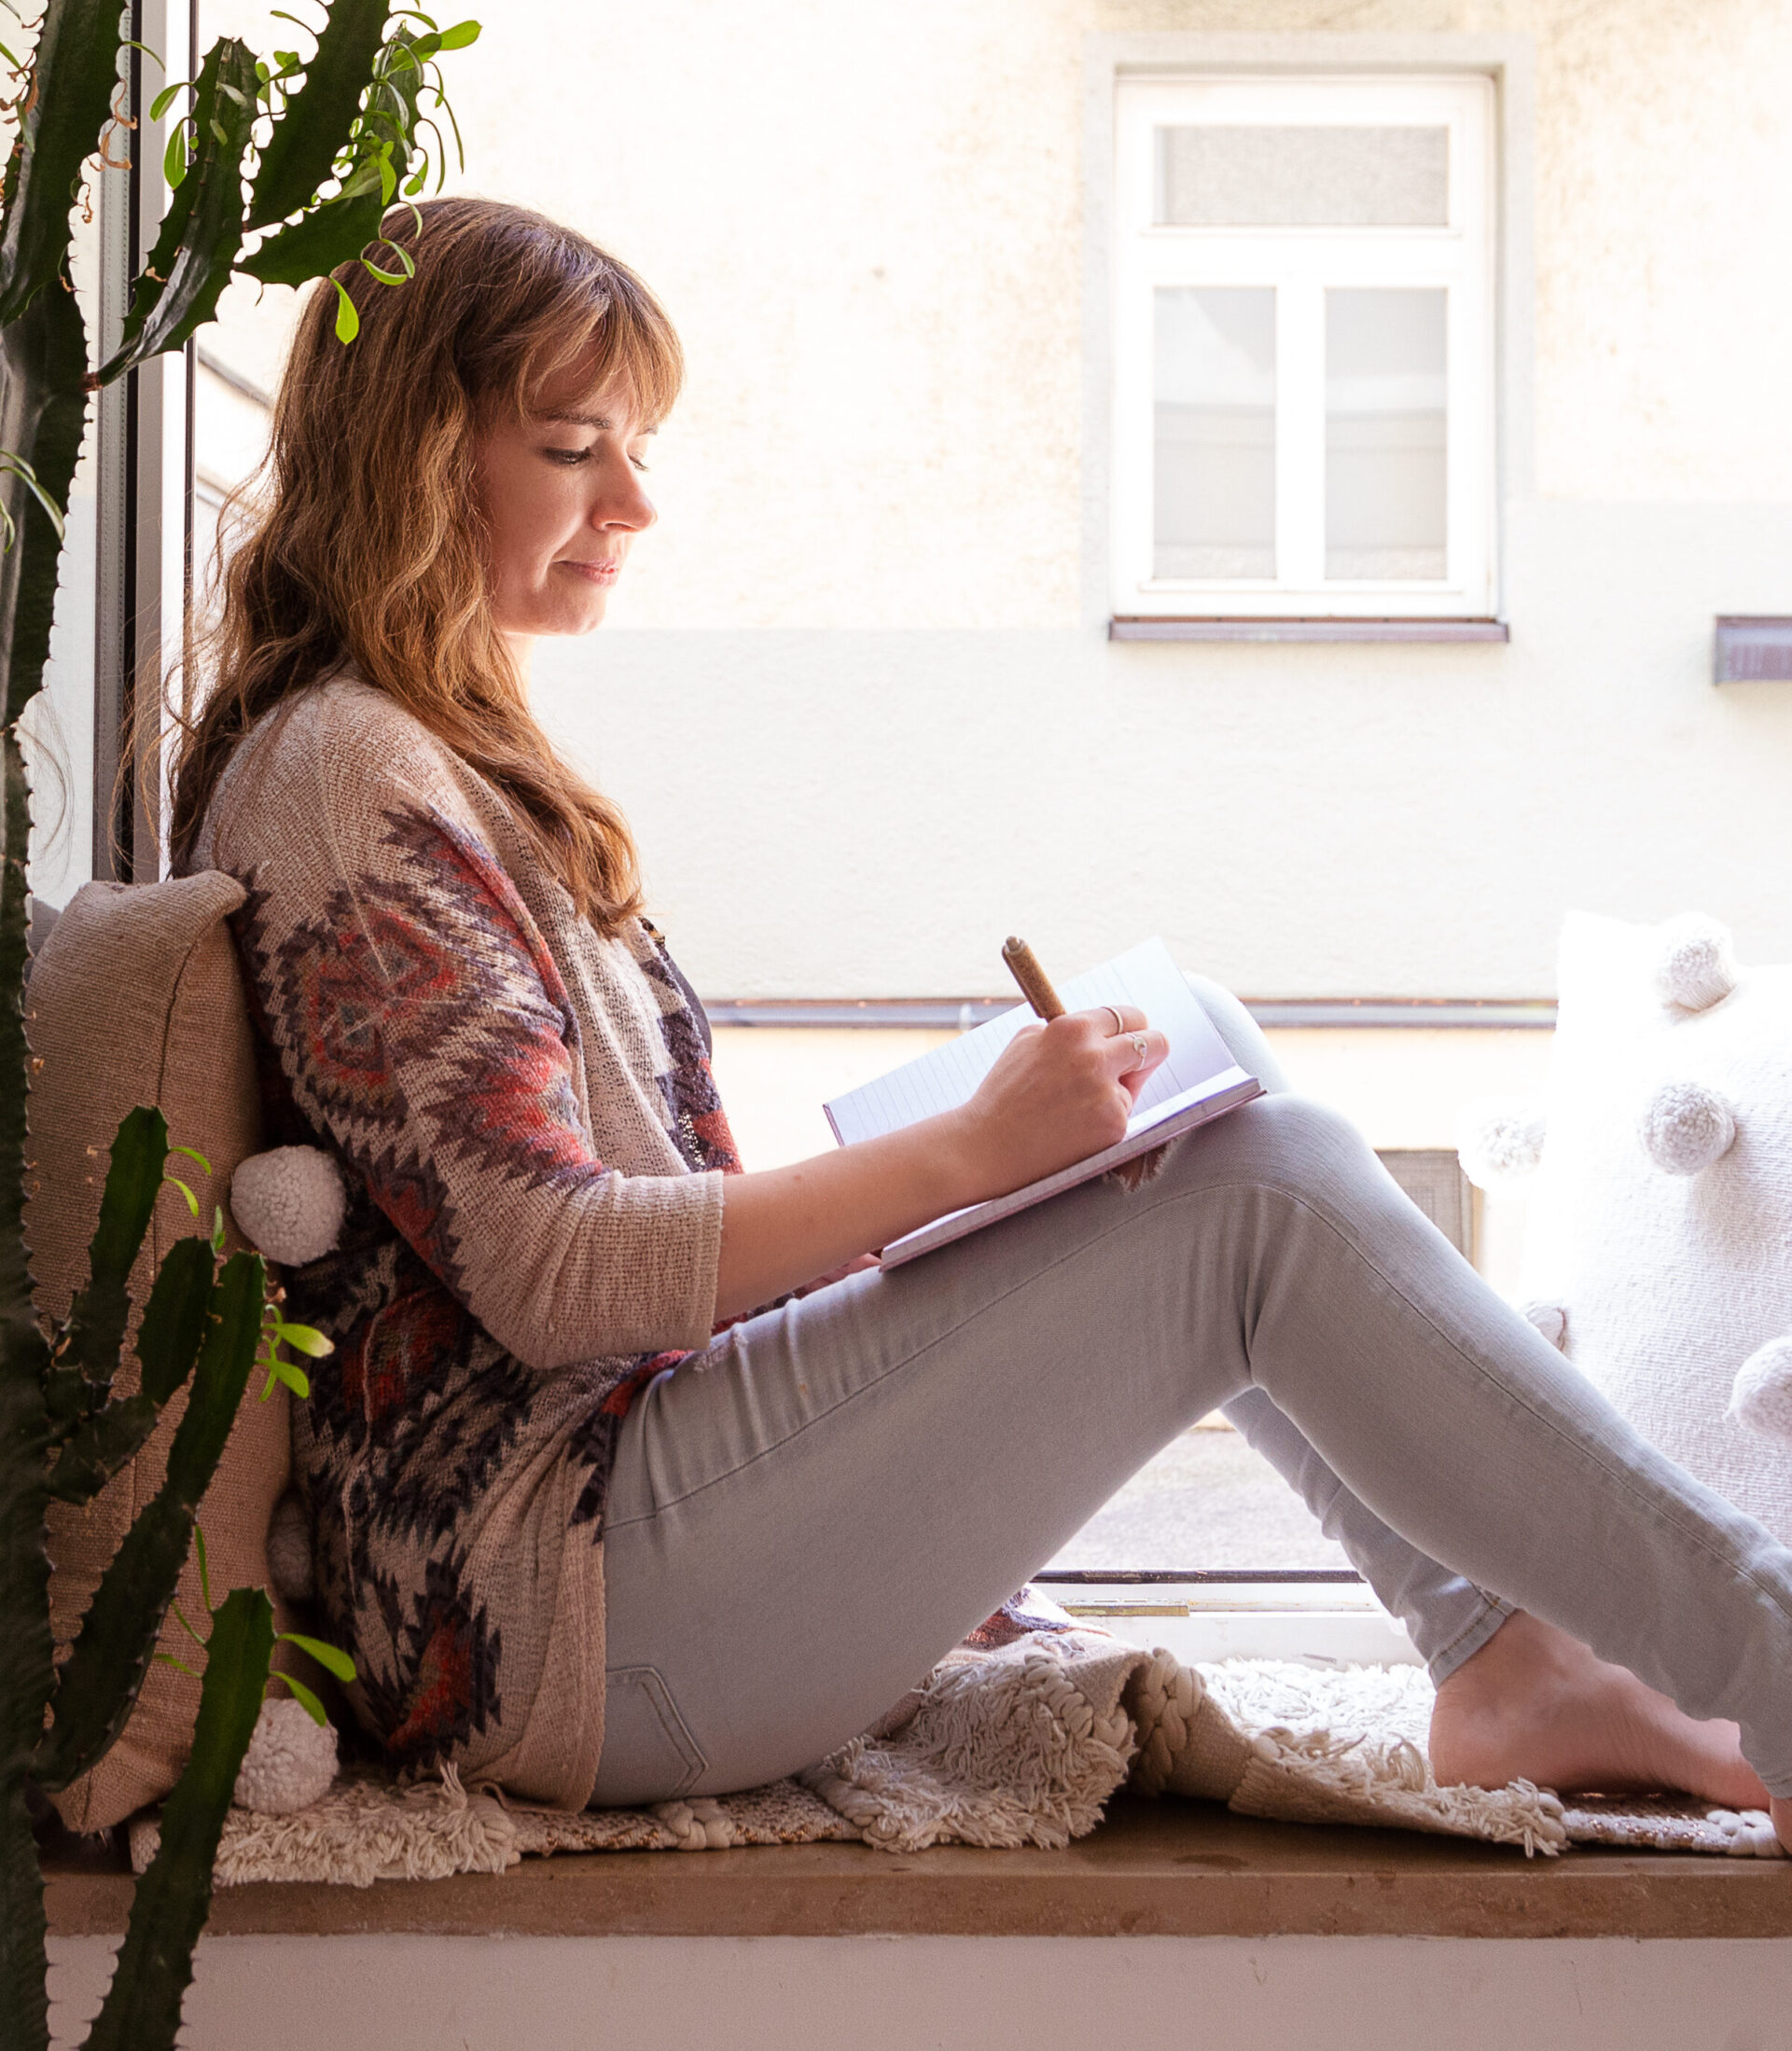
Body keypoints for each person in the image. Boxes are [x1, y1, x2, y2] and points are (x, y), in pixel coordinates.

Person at [173, 197, 1792, 1837]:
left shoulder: (415, 752)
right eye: (576, 446)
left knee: (1191, 1070)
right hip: (563, 1610)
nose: (637, 502)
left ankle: (1505, 1659)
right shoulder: (338, 772)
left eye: (637, 446)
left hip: (626, 1539)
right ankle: (1772, 1669)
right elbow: (553, 1272)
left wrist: (1003, 1173)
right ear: (421, 451)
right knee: (1262, 1184)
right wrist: (966, 1156)